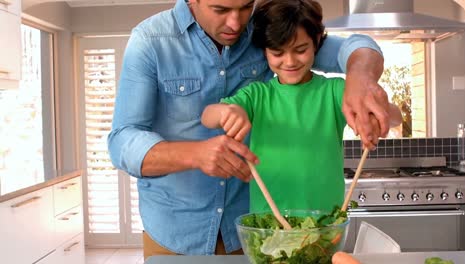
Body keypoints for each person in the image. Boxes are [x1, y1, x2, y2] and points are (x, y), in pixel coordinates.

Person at [108, 0, 390, 257]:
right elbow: (122, 140)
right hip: (175, 232)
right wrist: (195, 154)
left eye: (245, 6)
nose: (236, 23)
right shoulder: (151, 41)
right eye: (220, 10)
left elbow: (356, 47)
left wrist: (361, 78)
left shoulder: (264, 28)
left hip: (254, 232)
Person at [201, 0, 402, 213]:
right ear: (265, 51)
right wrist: (227, 112)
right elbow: (207, 115)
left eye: (300, 50)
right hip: (269, 223)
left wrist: (375, 114)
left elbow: (396, 116)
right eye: (278, 53)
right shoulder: (257, 95)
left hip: (325, 222)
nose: (289, 61)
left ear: (315, 42)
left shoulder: (334, 91)